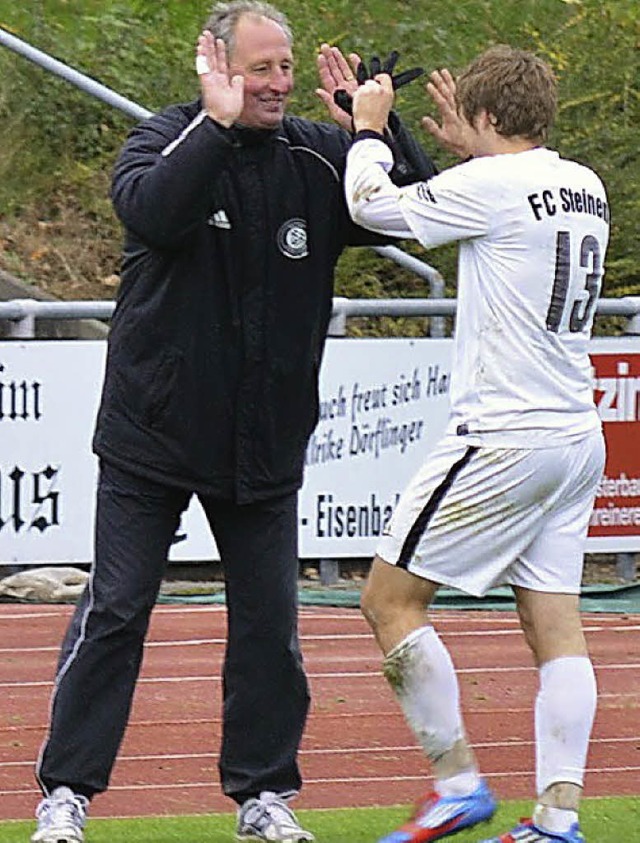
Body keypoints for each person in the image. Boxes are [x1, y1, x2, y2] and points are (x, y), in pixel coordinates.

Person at [29, 3, 436, 843]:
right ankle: (66, 792)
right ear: (214, 67)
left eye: (286, 67)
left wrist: (373, 130)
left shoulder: (315, 156)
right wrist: (213, 127)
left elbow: (412, 212)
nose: (281, 83)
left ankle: (263, 796)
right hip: (154, 434)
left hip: (265, 441)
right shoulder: (164, 140)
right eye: (262, 70)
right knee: (116, 610)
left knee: (268, 628)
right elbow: (149, 211)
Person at [344, 45, 609, 843]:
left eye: (472, 117)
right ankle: (557, 819)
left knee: (388, 601)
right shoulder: (585, 185)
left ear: (488, 116)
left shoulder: (489, 185)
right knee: (556, 624)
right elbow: (507, 204)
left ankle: (457, 783)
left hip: (504, 432)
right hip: (575, 432)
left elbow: (369, 205)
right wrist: (472, 149)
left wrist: (369, 128)